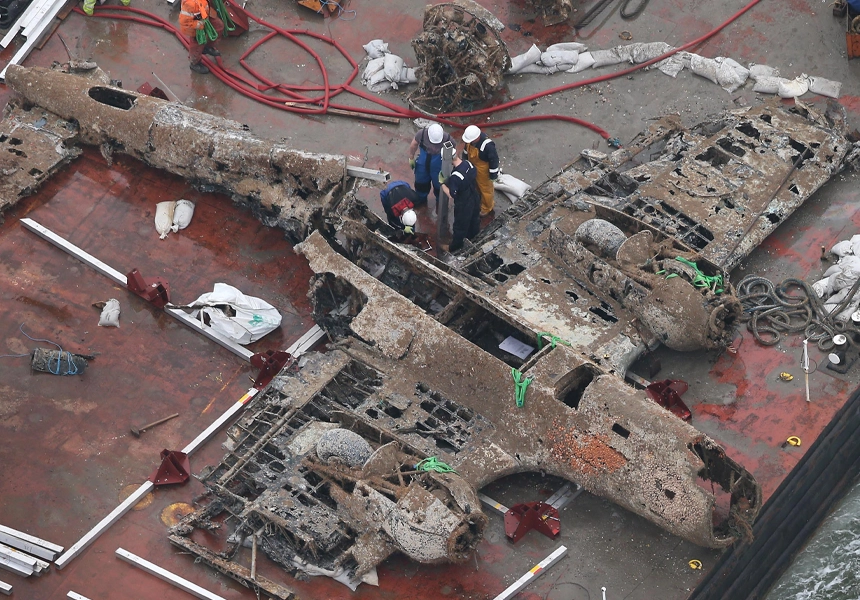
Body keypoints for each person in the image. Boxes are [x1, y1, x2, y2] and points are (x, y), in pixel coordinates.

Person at [440, 152, 480, 253]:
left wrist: (442, 184)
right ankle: (474, 237)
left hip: (464, 203)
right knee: (474, 219)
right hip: (474, 196)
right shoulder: (468, 164)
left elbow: (452, 194)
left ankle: (454, 247)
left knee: (460, 226)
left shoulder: (456, 177)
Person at [408, 123, 454, 207]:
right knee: (421, 183)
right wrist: (411, 158)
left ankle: (440, 201)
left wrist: (448, 169)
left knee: (439, 186)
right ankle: (421, 199)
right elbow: (414, 144)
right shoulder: (421, 134)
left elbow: (453, 153)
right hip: (423, 164)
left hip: (438, 166)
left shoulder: (448, 139)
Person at [461, 125, 500, 216]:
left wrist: (493, 175)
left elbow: (494, 160)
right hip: (473, 166)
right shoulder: (470, 142)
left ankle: (487, 207)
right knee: (476, 185)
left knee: (486, 189)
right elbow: (465, 153)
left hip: (483, 171)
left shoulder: (488, 145)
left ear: (477, 137)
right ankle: (479, 200)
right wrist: (464, 163)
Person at [179, 0, 224, 74]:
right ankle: (195, 63)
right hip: (195, 27)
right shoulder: (189, 5)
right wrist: (198, 25)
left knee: (219, 26)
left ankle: (208, 47)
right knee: (197, 45)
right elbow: (184, 21)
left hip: (205, 16)